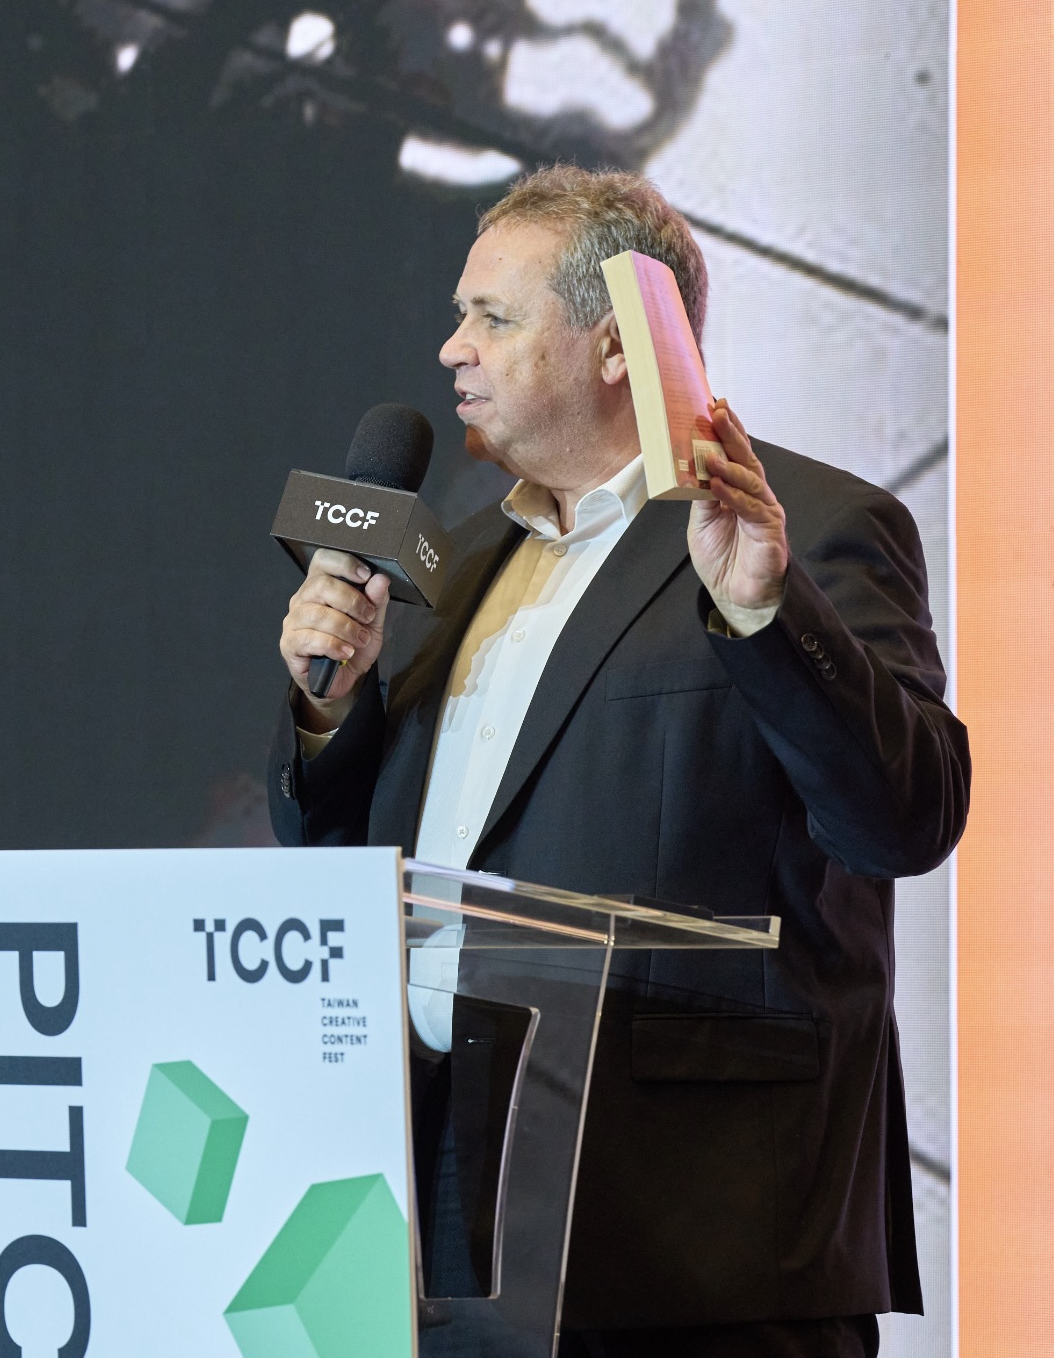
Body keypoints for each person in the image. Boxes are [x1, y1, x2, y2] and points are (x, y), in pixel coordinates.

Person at [269, 166, 967, 1358]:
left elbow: (903, 817)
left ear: (611, 343)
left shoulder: (811, 526)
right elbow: (355, 857)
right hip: (437, 1198)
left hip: (695, 1235)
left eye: (492, 316)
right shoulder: (457, 562)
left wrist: (764, 612)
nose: (450, 348)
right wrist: (326, 709)